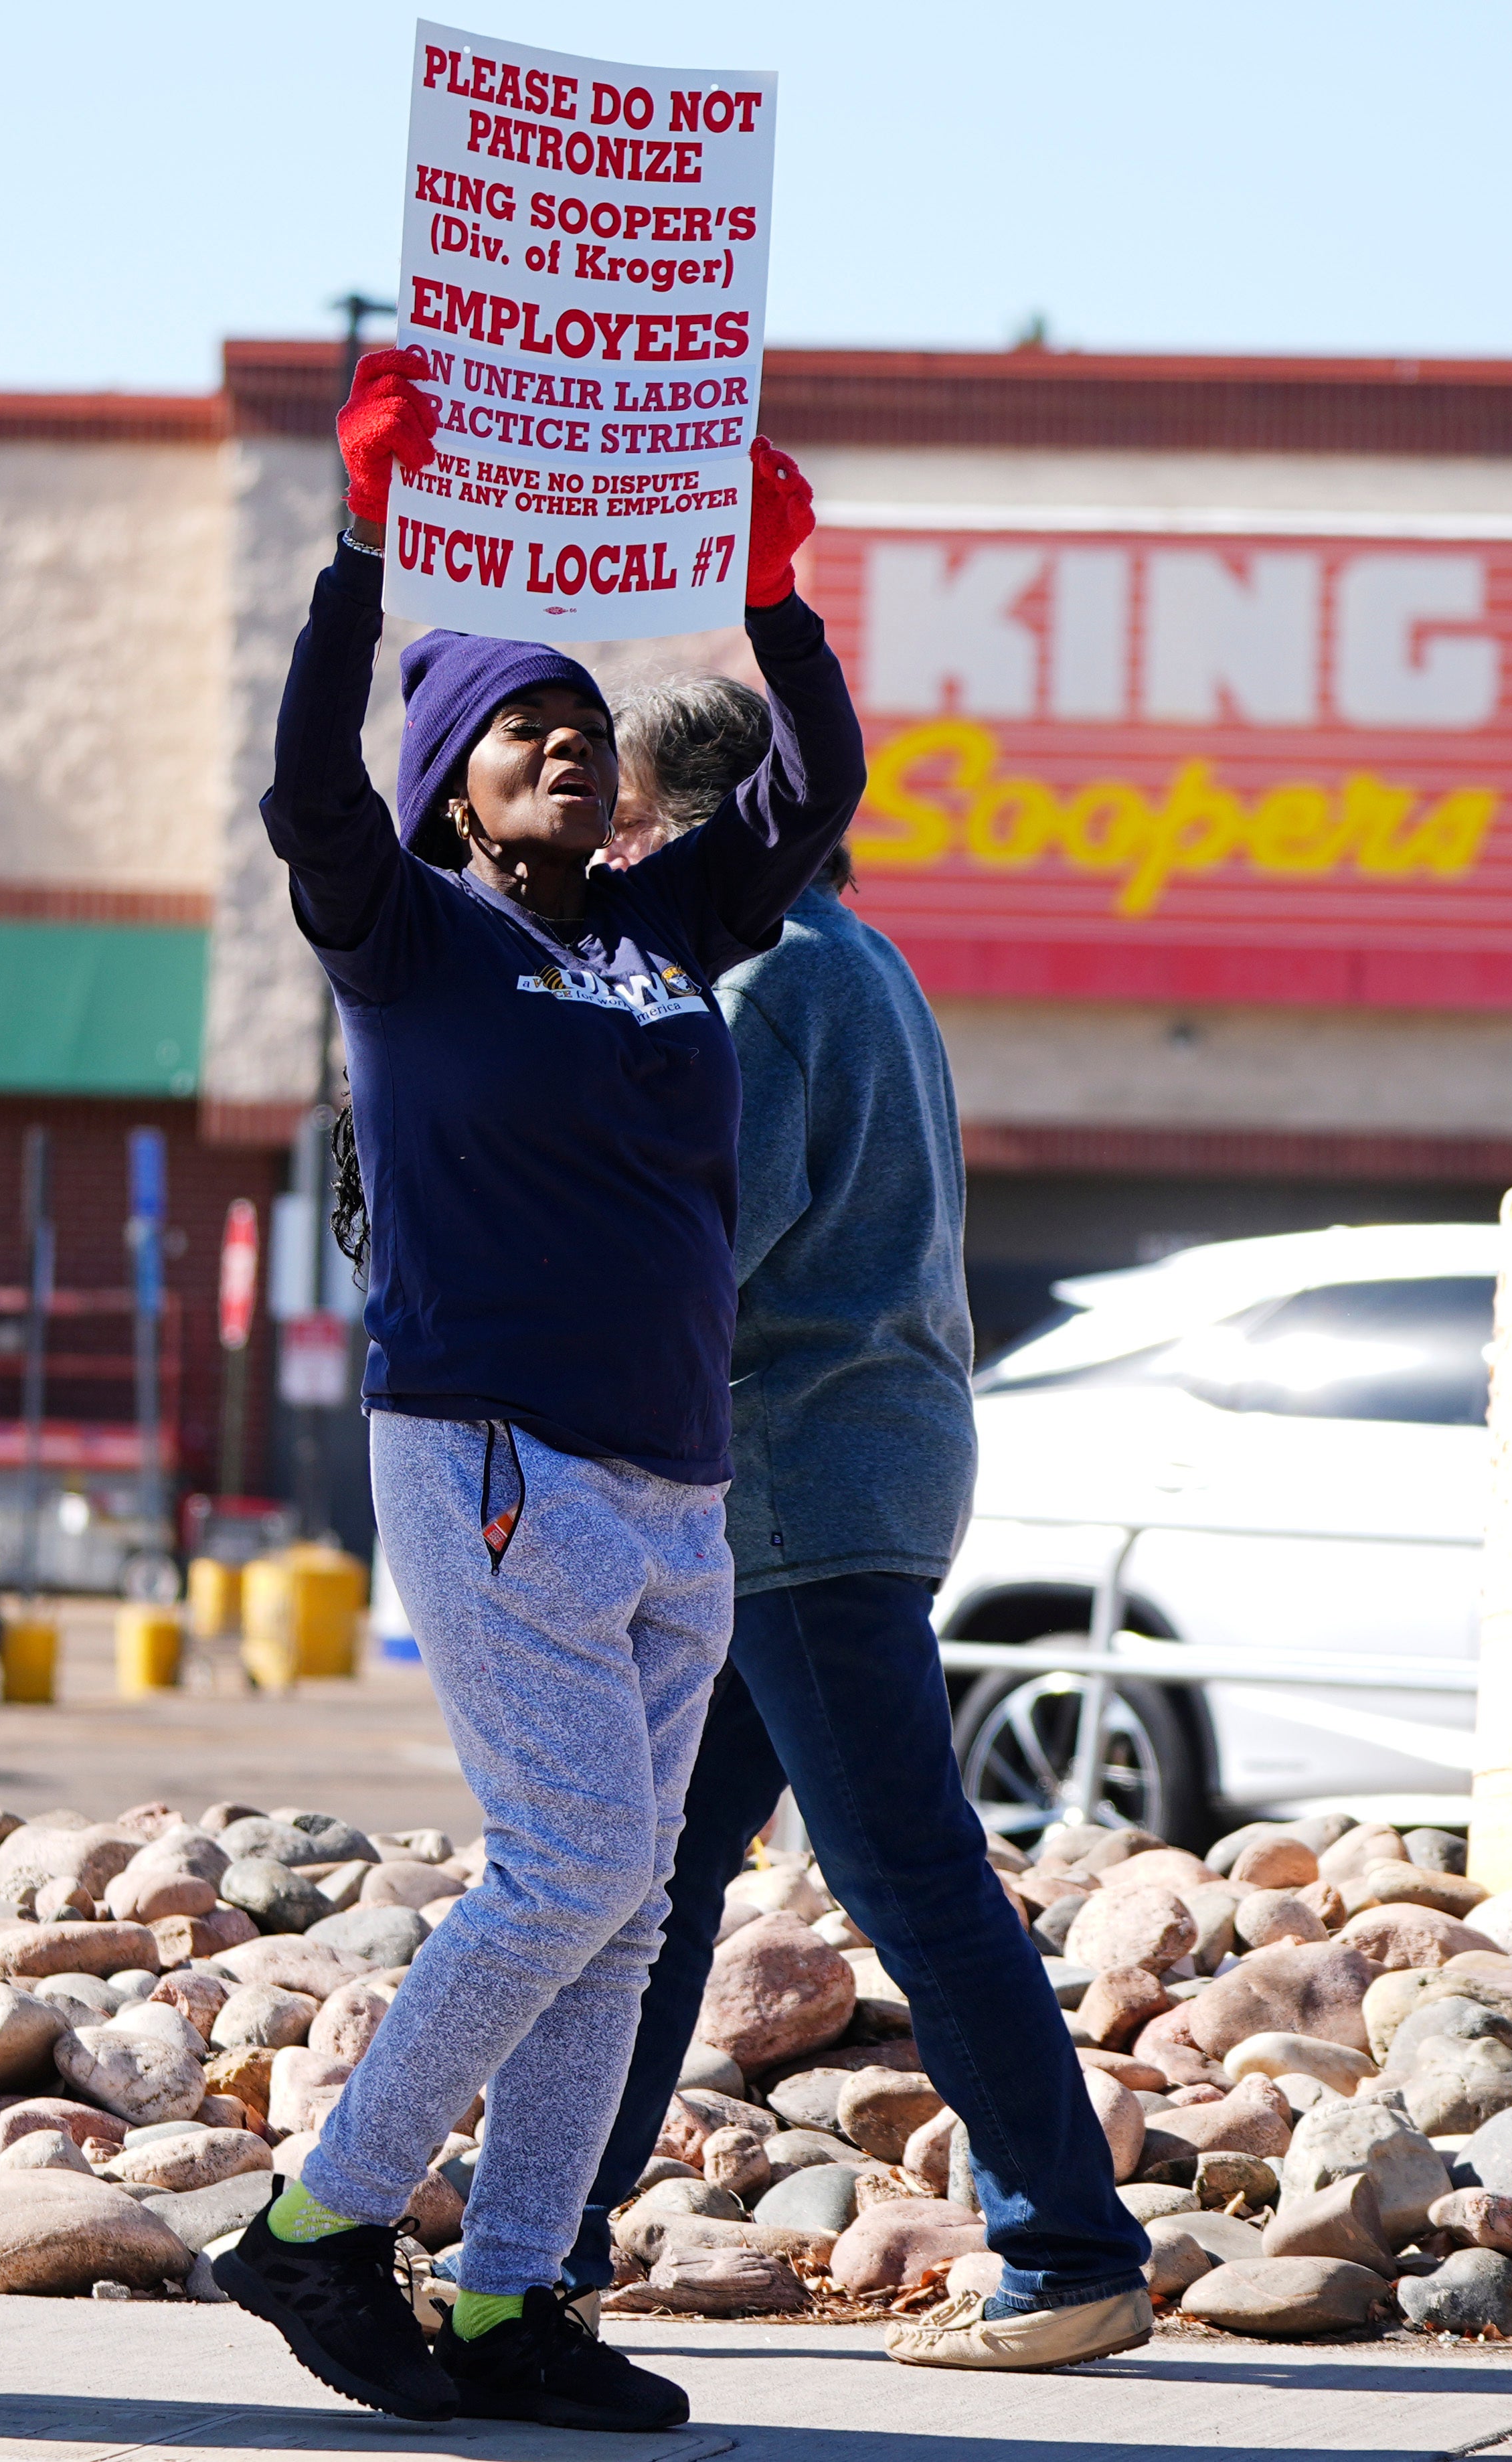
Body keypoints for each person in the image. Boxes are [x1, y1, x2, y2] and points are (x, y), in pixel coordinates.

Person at [209, 351, 863, 2435]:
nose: (569, 747)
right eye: (523, 731)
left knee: (631, 1897)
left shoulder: (666, 926)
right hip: (491, 1453)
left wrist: (772, 595)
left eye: (584, 726)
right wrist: (360, 547)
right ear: (453, 793)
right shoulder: (402, 936)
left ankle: (513, 2307)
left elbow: (811, 798)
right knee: (573, 1866)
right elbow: (308, 784)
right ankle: (320, 2232)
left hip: (679, 1478)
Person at [539, 675, 1152, 2370]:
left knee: (903, 1873)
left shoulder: (764, 981)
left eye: (633, 824)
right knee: (649, 1880)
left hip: (796, 1483)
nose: (616, 857)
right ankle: (550, 2234)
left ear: (694, 824)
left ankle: (1070, 2247)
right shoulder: (850, 961)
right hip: (823, 1485)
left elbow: (693, 1255)